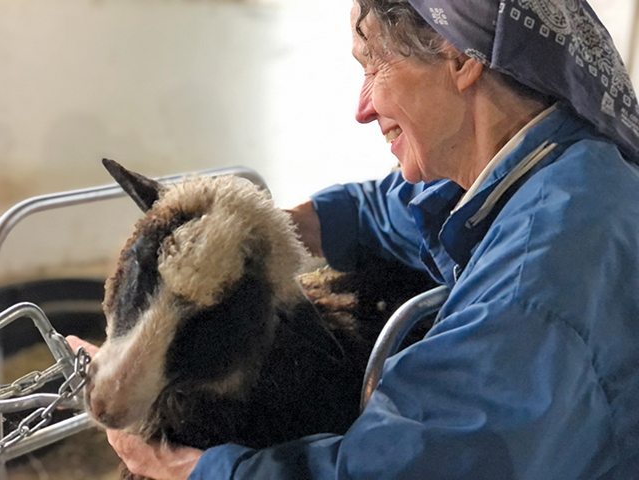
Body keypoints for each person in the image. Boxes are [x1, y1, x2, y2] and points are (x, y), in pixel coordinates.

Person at [69, 0, 639, 477]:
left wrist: (182, 467)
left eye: (373, 67)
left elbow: (399, 469)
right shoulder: (566, 170)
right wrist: (253, 233)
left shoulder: (532, 289)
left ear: (461, 59)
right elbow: (407, 207)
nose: (362, 108)